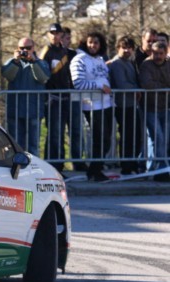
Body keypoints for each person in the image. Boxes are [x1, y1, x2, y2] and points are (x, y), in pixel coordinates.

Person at [70, 31, 114, 182]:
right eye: (90, 42)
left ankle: (95, 170)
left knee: (106, 140)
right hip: (92, 105)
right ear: (85, 43)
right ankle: (95, 171)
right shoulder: (79, 59)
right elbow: (78, 83)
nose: (93, 45)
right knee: (100, 139)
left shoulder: (100, 60)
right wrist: (99, 85)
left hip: (107, 103)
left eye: (96, 42)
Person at [1, 37, 50, 157]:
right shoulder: (12, 62)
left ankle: (34, 167)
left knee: (33, 145)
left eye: (28, 48)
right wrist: (15, 61)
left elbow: (43, 78)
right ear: (17, 48)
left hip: (34, 110)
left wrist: (33, 62)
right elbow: (8, 75)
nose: (25, 50)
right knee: (16, 145)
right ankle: (18, 166)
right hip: (15, 110)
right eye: (22, 48)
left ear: (33, 48)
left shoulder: (41, 63)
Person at [39, 23, 77, 173]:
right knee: (54, 133)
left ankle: (59, 166)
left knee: (61, 134)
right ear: (48, 35)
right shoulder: (46, 51)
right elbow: (42, 75)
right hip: (52, 98)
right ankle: (52, 167)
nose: (55, 36)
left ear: (61, 34)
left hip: (66, 97)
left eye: (57, 33)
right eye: (52, 33)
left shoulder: (64, 51)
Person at [108, 36, 143, 176]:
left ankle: (132, 164)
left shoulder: (129, 62)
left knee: (134, 135)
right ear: (118, 48)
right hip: (122, 104)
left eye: (129, 48)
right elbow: (122, 84)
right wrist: (136, 90)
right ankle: (126, 166)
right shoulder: (117, 63)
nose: (127, 50)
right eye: (124, 47)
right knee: (127, 135)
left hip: (131, 104)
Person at [139, 41, 170, 182]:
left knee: (161, 139)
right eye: (155, 53)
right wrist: (164, 88)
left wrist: (162, 88)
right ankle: (161, 169)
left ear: (165, 53)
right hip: (150, 107)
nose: (158, 56)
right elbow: (147, 83)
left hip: (165, 107)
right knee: (158, 137)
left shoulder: (168, 65)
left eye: (160, 53)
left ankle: (150, 168)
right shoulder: (146, 65)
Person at [61, 26, 87, 172]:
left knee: (76, 130)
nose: (68, 41)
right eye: (66, 38)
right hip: (58, 97)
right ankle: (57, 162)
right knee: (57, 131)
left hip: (74, 96)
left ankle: (77, 160)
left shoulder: (75, 54)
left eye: (69, 38)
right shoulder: (52, 53)